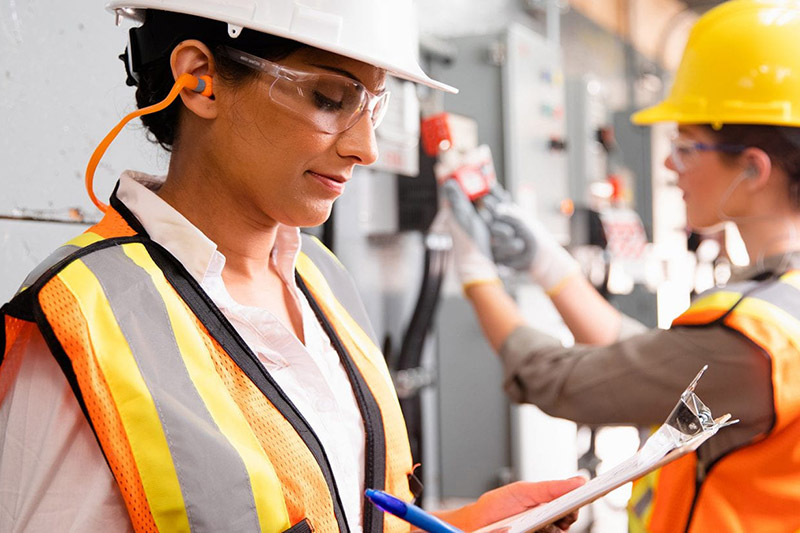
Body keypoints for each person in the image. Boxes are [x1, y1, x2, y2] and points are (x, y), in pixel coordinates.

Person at [0, 1, 585, 532]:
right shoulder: (88, 318)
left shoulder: (323, 280)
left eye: (374, 108)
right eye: (330, 99)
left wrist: (466, 526)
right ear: (198, 80)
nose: (367, 148)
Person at [440, 1, 800, 531]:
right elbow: (648, 362)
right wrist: (547, 262)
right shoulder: (779, 305)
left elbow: (560, 381)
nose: (667, 163)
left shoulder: (753, 336)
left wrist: (473, 270)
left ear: (752, 168)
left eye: (685, 146)